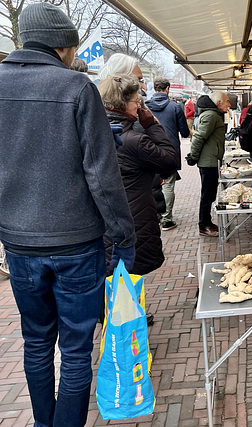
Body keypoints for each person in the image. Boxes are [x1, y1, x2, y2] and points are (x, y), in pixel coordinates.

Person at [0, 4, 136, 427]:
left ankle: (44, 423)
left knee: (36, 342)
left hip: (20, 241)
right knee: (76, 350)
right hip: (76, 242)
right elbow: (101, 173)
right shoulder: (76, 88)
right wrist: (123, 235)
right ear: (64, 45)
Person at [99, 75, 179, 275]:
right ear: (124, 103)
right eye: (136, 101)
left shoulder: (93, 134)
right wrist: (151, 125)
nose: (139, 106)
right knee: (128, 283)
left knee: (115, 282)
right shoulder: (134, 140)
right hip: (133, 221)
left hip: (104, 223)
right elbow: (170, 161)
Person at [146, 77, 190, 231]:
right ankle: (166, 218)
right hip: (169, 150)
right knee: (168, 185)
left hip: (148, 149)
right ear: (167, 89)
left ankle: (155, 215)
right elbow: (184, 131)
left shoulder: (145, 106)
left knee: (151, 184)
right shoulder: (175, 106)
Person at [188, 91, 230, 237]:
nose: (229, 104)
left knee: (210, 194)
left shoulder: (213, 115)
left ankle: (207, 222)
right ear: (218, 103)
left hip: (212, 160)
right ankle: (203, 225)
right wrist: (193, 156)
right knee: (207, 194)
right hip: (209, 162)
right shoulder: (211, 116)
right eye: (227, 101)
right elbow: (198, 137)